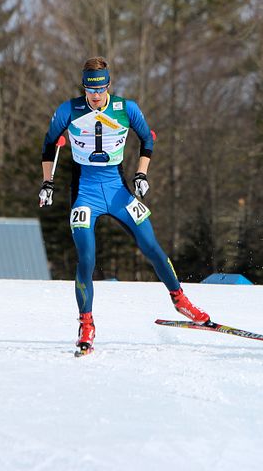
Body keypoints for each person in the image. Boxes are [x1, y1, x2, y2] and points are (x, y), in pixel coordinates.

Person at [39, 56, 210, 355]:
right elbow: (49, 145)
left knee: (152, 246)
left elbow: (148, 140)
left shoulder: (126, 108)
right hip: (85, 194)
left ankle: (181, 300)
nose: (95, 96)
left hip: (118, 192)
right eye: (90, 90)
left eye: (100, 89)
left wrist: (142, 174)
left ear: (108, 85)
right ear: (83, 87)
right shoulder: (68, 110)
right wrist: (47, 183)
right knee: (87, 259)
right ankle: (87, 323)